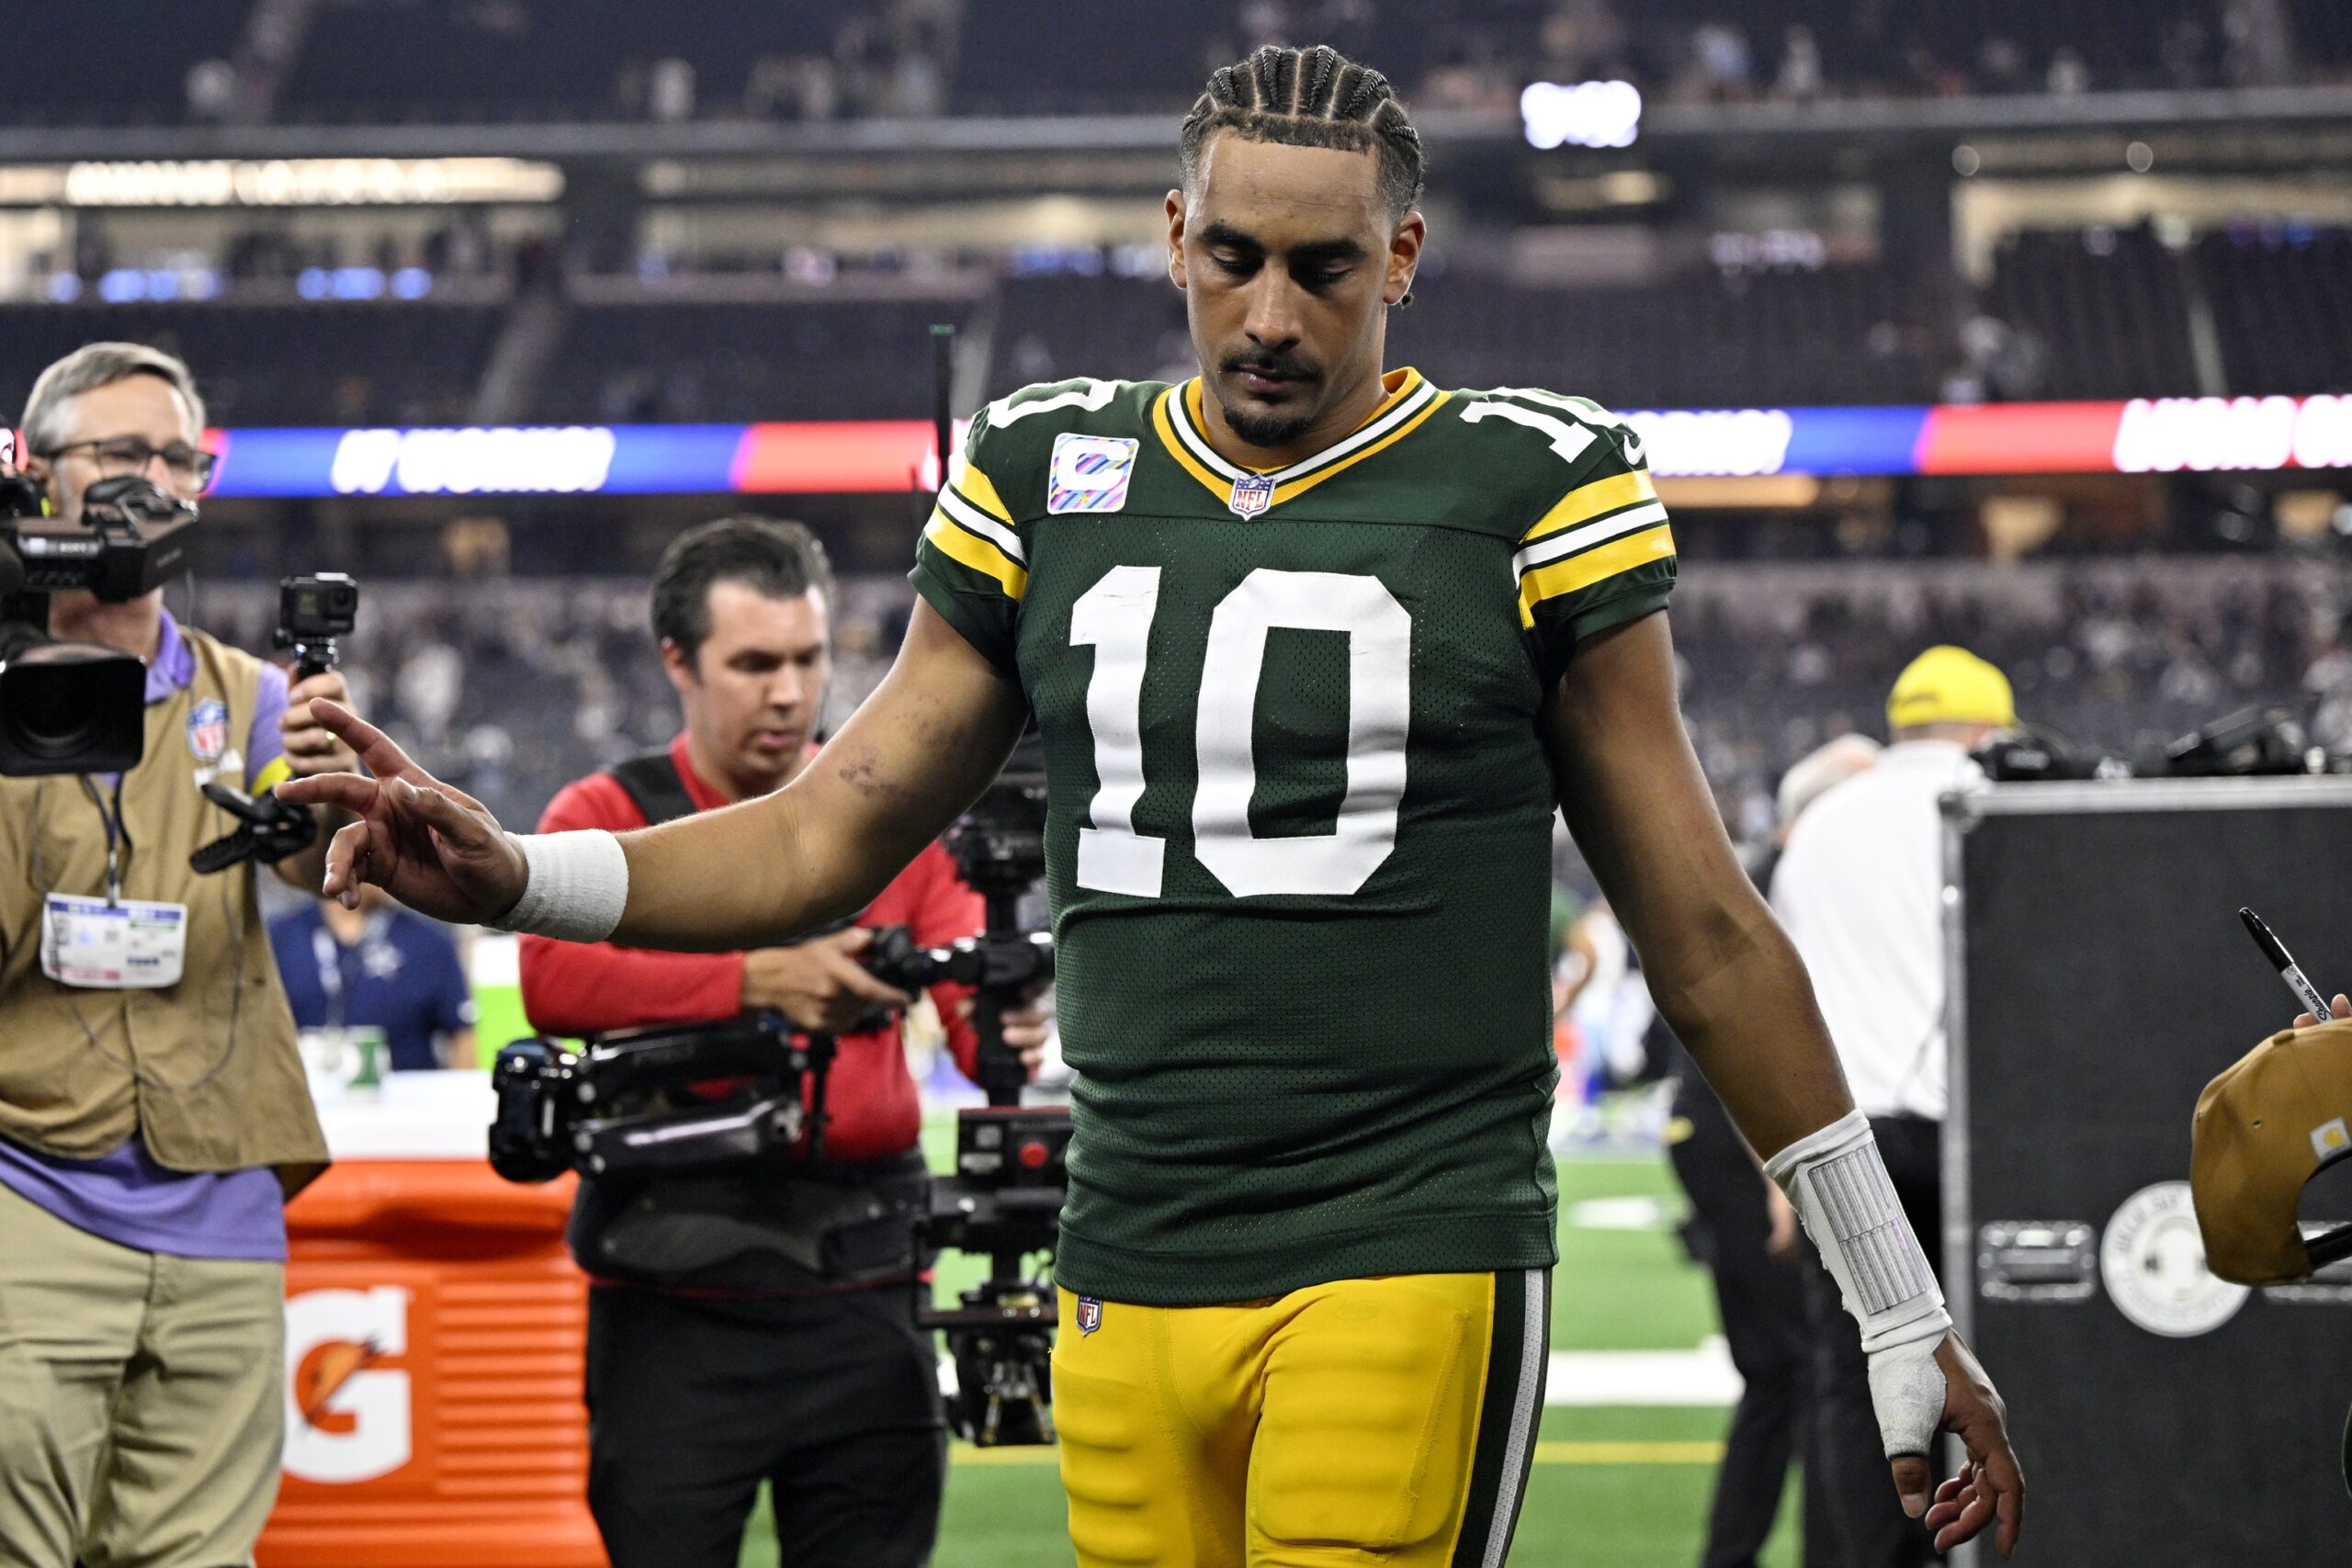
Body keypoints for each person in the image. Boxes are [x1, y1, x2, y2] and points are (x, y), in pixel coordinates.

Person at [285, 45, 2025, 1566]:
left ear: (1404, 257)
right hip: (1123, 1246)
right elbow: (829, 831)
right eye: (1239, 259)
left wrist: (1895, 1295)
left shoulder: (1531, 476)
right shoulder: (1050, 467)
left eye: (1327, 270)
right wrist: (518, 871)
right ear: (1173, 237)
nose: (1272, 315)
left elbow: (1704, 925)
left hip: (1403, 1232)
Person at [513, 517, 1045, 1568]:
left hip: (867, 1294)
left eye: (807, 660)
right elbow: (553, 979)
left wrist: (1007, 1015)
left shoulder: (897, 813)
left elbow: (985, 1045)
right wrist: (758, 978)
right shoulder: (609, 809)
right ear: (679, 662)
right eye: (753, 664)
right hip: (672, 1301)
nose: (789, 694)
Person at [0, 342, 362, 1568]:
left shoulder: (254, 695)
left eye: (173, 457)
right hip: (28, 1190)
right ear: (32, 471)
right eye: (114, 453)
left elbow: (316, 866)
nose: (146, 482)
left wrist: (326, 774)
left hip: (219, 1200)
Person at [1769, 648, 2013, 1568]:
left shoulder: (1822, 822)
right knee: (1999, 1357)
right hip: (1966, 1130)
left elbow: (1784, 1001)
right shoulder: (1989, 801)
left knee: (1856, 1376)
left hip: (1838, 1142)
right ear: (1990, 730)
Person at [1660, 732, 1880, 1568]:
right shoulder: (1789, 883)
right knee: (1819, 1363)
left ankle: (1740, 1553)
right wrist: (1784, 1175)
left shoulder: (1762, 873)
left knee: (1782, 1371)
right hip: (1747, 1136)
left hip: (1724, 1133)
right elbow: (1755, 1041)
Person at [268, 882, 477, 1070]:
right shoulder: (280, 938)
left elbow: (462, 1036)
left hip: (407, 1105)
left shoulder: (429, 942)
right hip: (308, 1101)